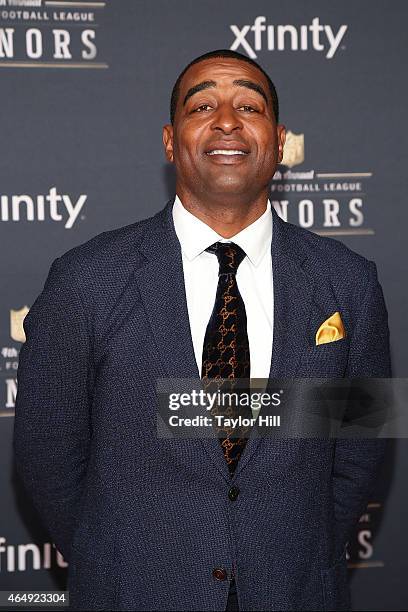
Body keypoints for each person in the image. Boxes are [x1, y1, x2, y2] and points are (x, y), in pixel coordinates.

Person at [13, 49, 391, 611]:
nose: (227, 121)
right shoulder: (86, 279)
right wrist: (119, 557)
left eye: (249, 106)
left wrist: (290, 550)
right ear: (171, 141)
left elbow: (360, 452)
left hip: (294, 591)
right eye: (203, 105)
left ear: (279, 140)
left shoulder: (350, 283)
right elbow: (47, 456)